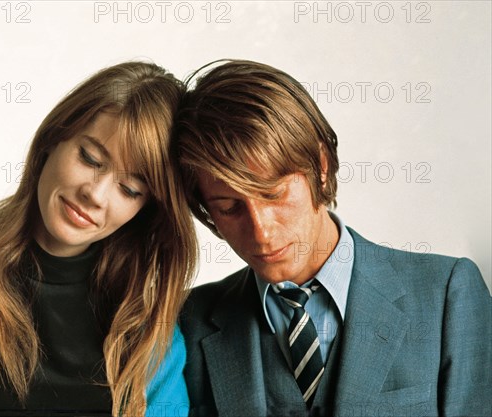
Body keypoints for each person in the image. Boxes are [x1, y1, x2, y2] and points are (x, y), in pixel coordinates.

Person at [175, 59, 491, 416]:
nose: (261, 232)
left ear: (321, 168)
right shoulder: (187, 321)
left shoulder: (448, 296)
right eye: (229, 207)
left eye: (274, 194)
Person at [0, 62, 196, 417]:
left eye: (130, 189)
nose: (95, 194)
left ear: (144, 210)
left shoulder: (151, 334)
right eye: (90, 157)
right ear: (55, 138)